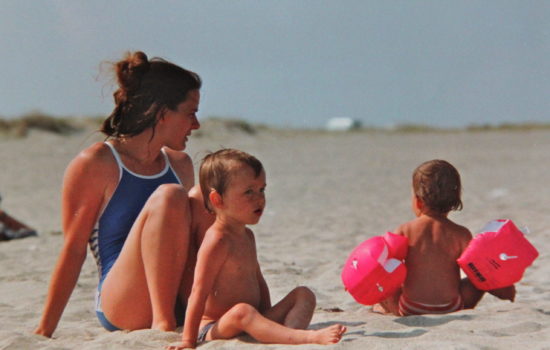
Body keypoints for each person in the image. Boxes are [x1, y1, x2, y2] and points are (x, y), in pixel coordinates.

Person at [34, 51, 214, 337]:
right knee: (169, 196)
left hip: (181, 296)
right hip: (123, 302)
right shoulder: (97, 163)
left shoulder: (179, 165)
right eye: (191, 113)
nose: (196, 125)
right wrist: (44, 330)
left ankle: (210, 312)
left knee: (204, 200)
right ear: (162, 113)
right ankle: (163, 322)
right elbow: (73, 249)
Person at [168, 149, 346, 349]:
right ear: (218, 200)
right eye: (249, 192)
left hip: (252, 317)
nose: (259, 198)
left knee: (304, 294)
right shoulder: (217, 240)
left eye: (262, 190)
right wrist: (188, 341)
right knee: (242, 311)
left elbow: (257, 279)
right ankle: (304, 338)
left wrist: (268, 316)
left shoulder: (247, 235)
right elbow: (198, 293)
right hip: (215, 326)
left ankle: (288, 334)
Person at [374, 159, 515, 316]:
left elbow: (385, 267)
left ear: (418, 202)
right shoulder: (461, 234)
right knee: (476, 281)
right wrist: (503, 287)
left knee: (384, 282)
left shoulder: (405, 230)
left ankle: (383, 307)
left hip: (409, 308)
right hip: (451, 307)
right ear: (454, 201)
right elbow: (481, 270)